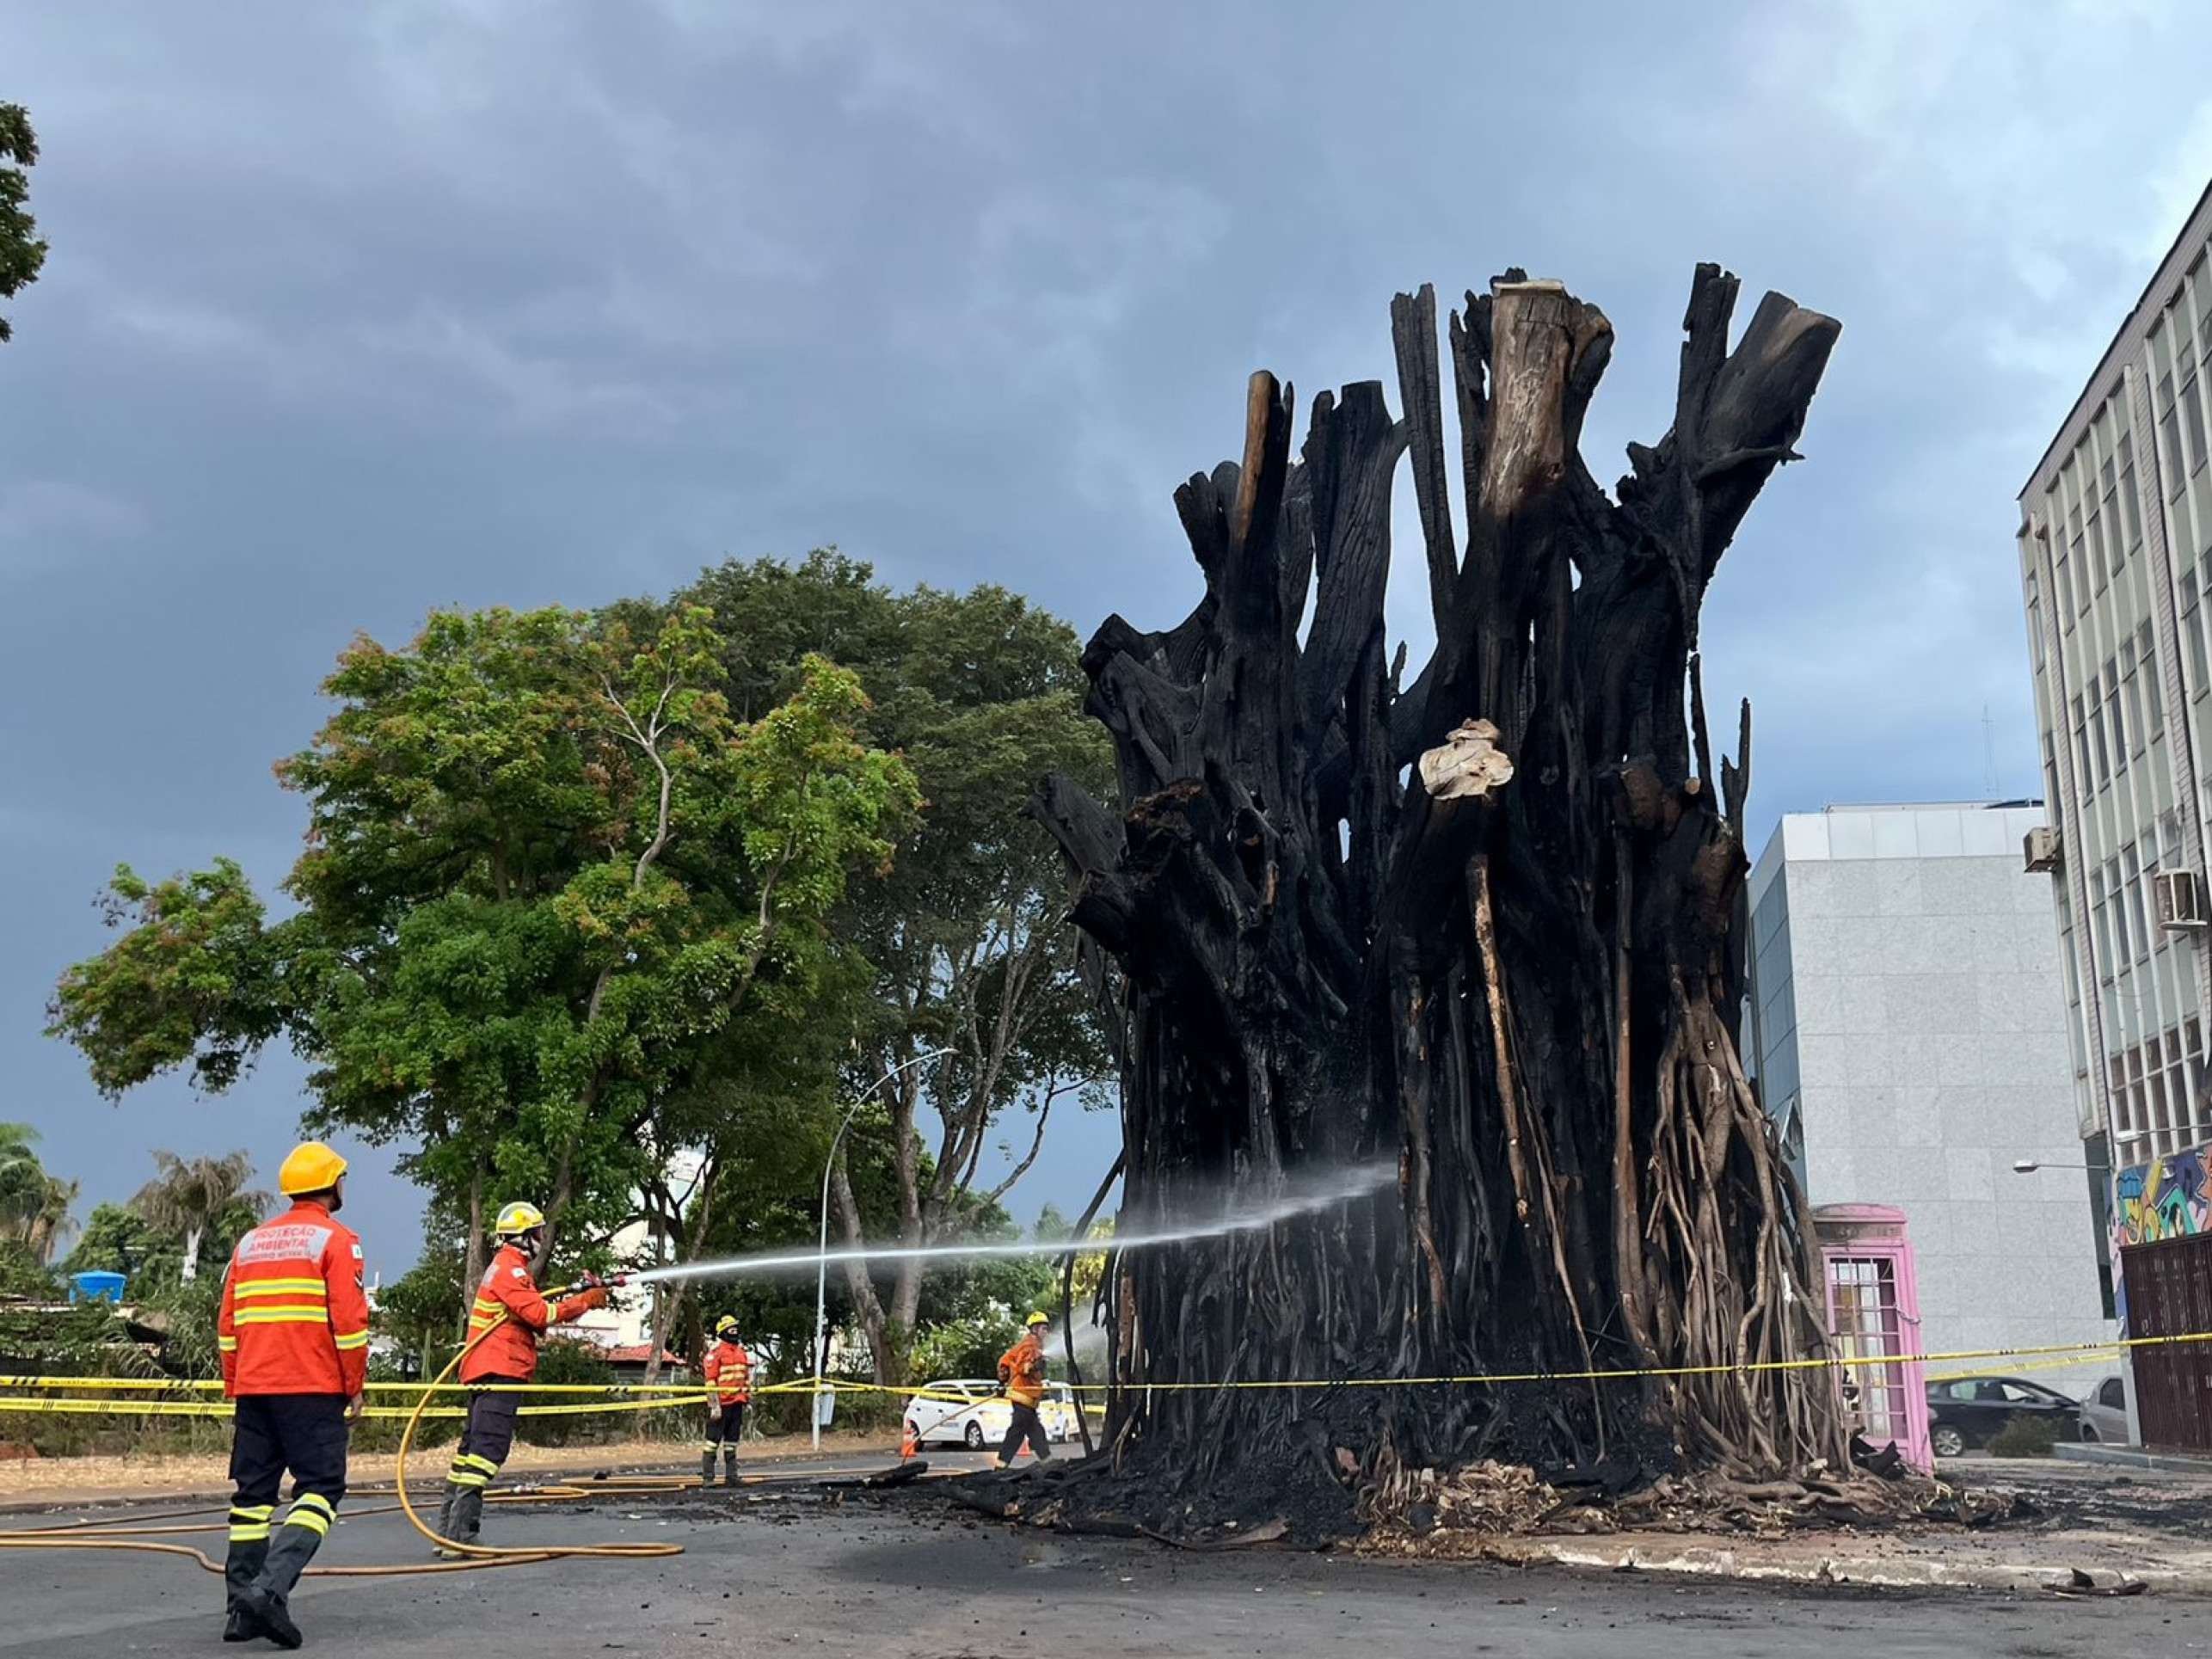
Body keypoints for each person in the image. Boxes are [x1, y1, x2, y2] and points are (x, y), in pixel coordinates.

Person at [216, 1140, 371, 1650]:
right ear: (332, 1184)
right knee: (321, 1488)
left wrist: (236, 1382)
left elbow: (227, 1325)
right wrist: (353, 1386)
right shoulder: (337, 1240)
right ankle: (267, 1590)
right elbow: (349, 1325)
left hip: (254, 1387)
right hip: (311, 1387)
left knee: (252, 1498)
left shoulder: (251, 1243)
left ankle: (240, 1610)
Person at [432, 1201, 609, 1554]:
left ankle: (447, 1536)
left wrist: (581, 1297)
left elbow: (531, 1314)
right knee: (486, 1453)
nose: (541, 1238)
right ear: (525, 1236)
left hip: (485, 1368)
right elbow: (541, 1313)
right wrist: (586, 1301)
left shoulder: (505, 1269)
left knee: (470, 1453)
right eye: (538, 1232)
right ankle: (460, 1537)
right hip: (500, 1368)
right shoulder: (510, 1270)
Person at [993, 1311, 1054, 1467]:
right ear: (1034, 1329)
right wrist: (1034, 1366)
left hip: (1027, 1398)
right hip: (1022, 1395)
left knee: (1035, 1431)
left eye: (1046, 1328)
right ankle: (1001, 1465)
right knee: (1017, 1431)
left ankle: (1048, 1462)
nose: (1046, 1332)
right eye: (1043, 1328)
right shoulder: (1029, 1344)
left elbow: (1007, 1361)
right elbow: (1022, 1367)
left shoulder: (1036, 1345)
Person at [701, 1314, 752, 1487]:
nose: (734, 1332)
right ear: (723, 1332)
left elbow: (745, 1377)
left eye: (736, 1329)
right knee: (712, 1442)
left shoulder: (741, 1352)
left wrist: (747, 1398)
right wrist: (714, 1406)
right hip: (722, 1404)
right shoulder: (716, 1353)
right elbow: (710, 1381)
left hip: (737, 1403)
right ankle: (708, 1478)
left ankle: (732, 1476)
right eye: (731, 1329)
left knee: (732, 1442)